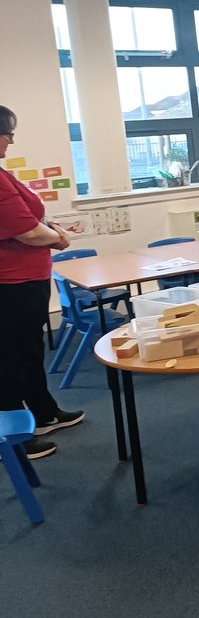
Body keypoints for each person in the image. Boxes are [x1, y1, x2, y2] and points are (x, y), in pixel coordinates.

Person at [0, 105, 84, 459]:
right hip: (10, 285)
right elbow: (28, 232)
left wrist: (52, 228)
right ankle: (16, 439)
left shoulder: (4, 174)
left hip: (26, 281)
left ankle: (42, 411)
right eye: (9, 134)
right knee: (10, 359)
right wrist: (57, 238)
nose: (11, 141)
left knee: (29, 351)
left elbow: (33, 214)